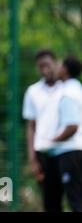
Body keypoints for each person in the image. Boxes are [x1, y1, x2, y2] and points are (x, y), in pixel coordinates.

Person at [22, 49, 64, 211]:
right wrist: (33, 159)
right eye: (41, 66)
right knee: (50, 200)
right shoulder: (33, 92)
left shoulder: (69, 87)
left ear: (56, 63)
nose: (45, 69)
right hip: (44, 152)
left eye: (47, 64)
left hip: (68, 152)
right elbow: (31, 127)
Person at [53, 55, 82, 211]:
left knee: (75, 199)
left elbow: (72, 127)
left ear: (64, 69)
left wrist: (53, 140)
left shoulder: (68, 93)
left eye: (59, 64)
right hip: (77, 149)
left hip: (71, 151)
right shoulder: (77, 89)